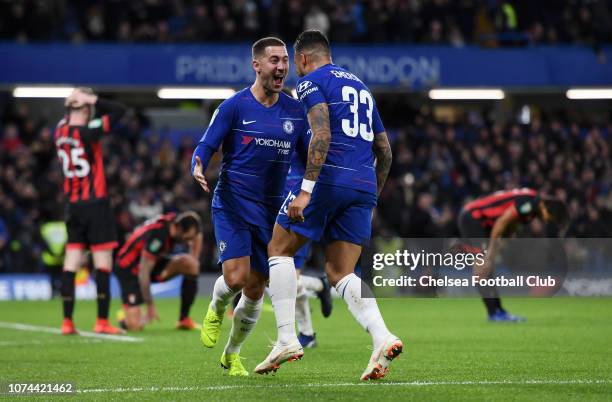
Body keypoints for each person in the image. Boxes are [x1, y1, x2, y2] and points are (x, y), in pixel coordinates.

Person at [255, 30, 401, 381]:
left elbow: (321, 135)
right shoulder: (361, 87)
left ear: (303, 59)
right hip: (363, 185)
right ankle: (382, 337)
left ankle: (288, 338)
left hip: (327, 179)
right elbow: (385, 150)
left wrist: (306, 190)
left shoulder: (310, 83)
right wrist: (371, 196)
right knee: (341, 272)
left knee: (277, 248)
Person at [191, 37, 310, 376]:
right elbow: (206, 145)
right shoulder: (234, 106)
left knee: (256, 288)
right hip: (232, 203)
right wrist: (197, 166)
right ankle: (215, 307)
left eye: (285, 60)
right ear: (256, 65)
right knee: (238, 277)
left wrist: (309, 191)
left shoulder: (294, 111)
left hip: (270, 212)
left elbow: (308, 161)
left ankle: (232, 354)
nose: (282, 67)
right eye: (274, 60)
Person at [55, 87, 126, 335]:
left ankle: (67, 322)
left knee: (71, 261)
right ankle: (102, 321)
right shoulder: (89, 131)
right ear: (86, 110)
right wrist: (91, 99)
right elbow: (120, 111)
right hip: (96, 205)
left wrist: (74, 102)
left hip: (72, 206)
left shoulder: (60, 131)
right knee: (102, 263)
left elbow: (68, 117)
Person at [458, 188, 569, 321]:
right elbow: (501, 223)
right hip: (473, 218)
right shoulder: (529, 204)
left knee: (487, 268)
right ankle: (494, 313)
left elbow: (508, 224)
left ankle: (497, 311)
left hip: (482, 222)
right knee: (482, 267)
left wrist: (499, 244)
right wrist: (491, 252)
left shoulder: (531, 204)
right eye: (550, 218)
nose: (547, 221)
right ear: (545, 207)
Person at [114, 211, 202, 331]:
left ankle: (184, 319)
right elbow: (143, 272)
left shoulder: (175, 222)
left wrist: (195, 257)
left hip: (153, 263)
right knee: (135, 326)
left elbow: (195, 224)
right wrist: (150, 306)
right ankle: (124, 317)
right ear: (179, 229)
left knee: (191, 264)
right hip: (129, 269)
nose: (187, 242)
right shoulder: (159, 235)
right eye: (186, 238)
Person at [284, 146, 333, 349]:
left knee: (288, 279)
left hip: (299, 212)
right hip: (278, 209)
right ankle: (319, 285)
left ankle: (307, 333)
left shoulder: (308, 135)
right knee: (276, 278)